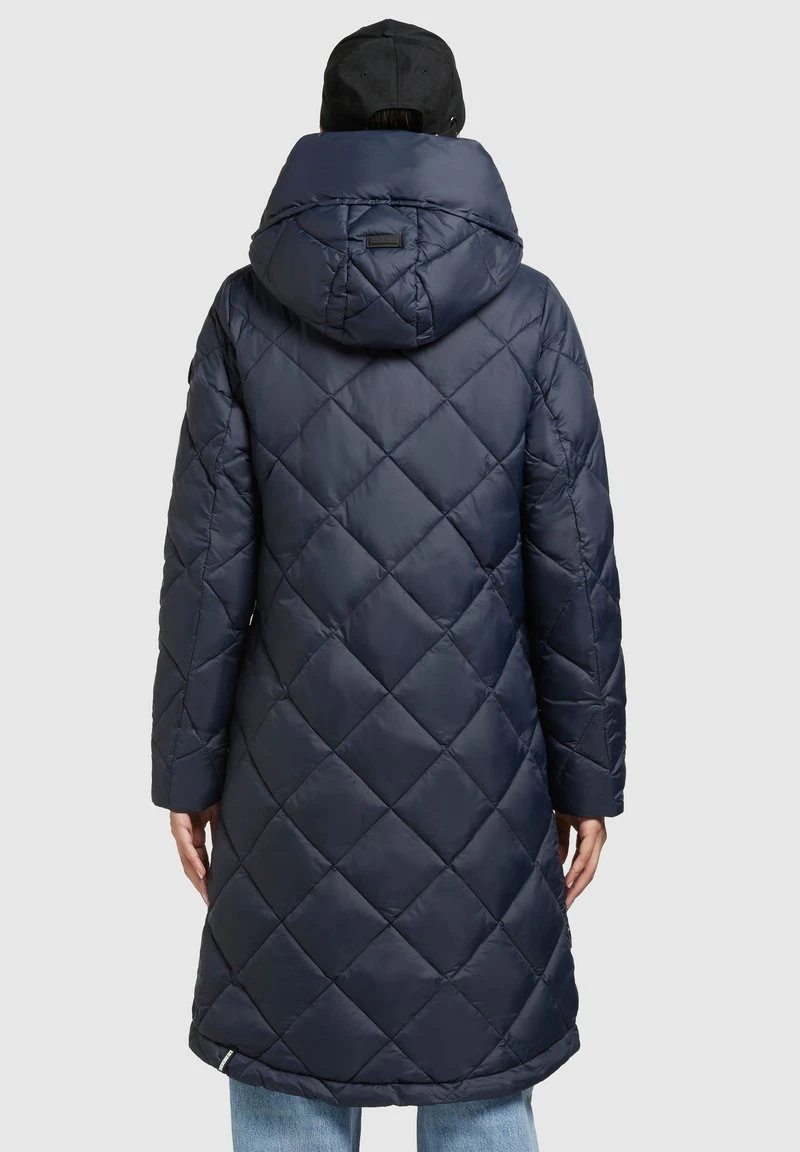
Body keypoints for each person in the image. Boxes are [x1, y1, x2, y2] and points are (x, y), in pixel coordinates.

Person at [151, 18, 626, 1152]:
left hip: (285, 785)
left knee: (290, 1072)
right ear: (455, 129)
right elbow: (576, 569)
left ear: (327, 129)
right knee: (480, 1071)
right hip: (486, 783)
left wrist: (185, 771)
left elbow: (204, 567)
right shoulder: (531, 316)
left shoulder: (245, 312)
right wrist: (590, 779)